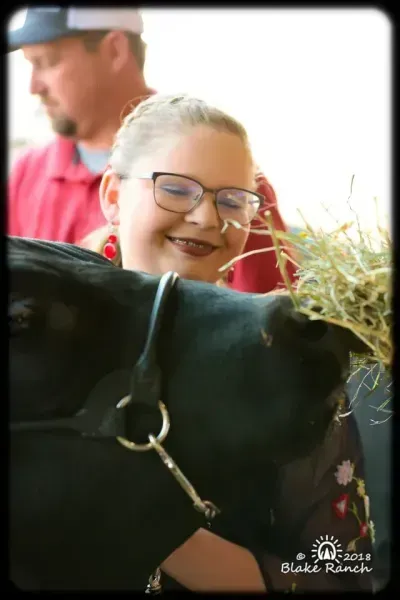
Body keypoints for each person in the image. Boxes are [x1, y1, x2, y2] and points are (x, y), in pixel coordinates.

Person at [96, 92, 373, 592]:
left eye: (231, 201)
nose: (206, 218)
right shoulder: (44, 342)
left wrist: (156, 532)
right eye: (175, 189)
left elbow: (340, 579)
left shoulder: (292, 369)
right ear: (113, 196)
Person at [7, 6, 296, 294]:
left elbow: (274, 314)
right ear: (113, 194)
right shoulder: (26, 174)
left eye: (48, 62)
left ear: (115, 50)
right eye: (175, 190)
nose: (34, 86)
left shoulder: (235, 184)